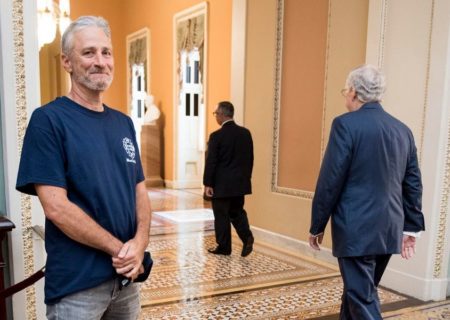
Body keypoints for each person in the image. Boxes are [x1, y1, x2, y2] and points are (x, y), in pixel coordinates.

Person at [16, 16, 152, 319]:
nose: (100, 61)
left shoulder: (124, 123)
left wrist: (139, 244)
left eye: (106, 52)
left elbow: (139, 192)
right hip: (78, 286)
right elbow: (56, 207)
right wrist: (121, 250)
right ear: (67, 61)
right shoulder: (48, 121)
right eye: (88, 52)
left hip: (126, 281)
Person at [309, 64, 425, 319]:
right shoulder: (402, 130)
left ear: (353, 92)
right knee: (359, 291)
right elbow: (413, 183)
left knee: (362, 297)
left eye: (344, 91)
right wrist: (411, 228)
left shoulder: (345, 125)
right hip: (389, 230)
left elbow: (330, 180)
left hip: (356, 230)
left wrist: (317, 225)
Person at [203, 101, 255, 257]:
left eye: (216, 114)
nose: (215, 117)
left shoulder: (216, 136)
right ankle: (247, 237)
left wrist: (208, 184)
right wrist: (245, 179)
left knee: (221, 216)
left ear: (222, 114)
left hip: (221, 185)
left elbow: (211, 161)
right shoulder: (245, 133)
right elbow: (250, 159)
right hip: (239, 184)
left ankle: (224, 247)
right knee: (237, 212)